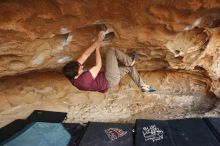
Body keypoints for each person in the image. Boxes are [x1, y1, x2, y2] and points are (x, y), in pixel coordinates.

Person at [63, 31, 156, 93]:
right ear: (76, 76)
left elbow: (85, 55)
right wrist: (98, 46)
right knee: (111, 50)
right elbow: (98, 65)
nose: (82, 66)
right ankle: (129, 61)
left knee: (130, 69)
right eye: (80, 69)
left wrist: (97, 41)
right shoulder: (84, 80)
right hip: (109, 79)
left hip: (107, 81)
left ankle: (143, 86)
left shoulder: (71, 71)